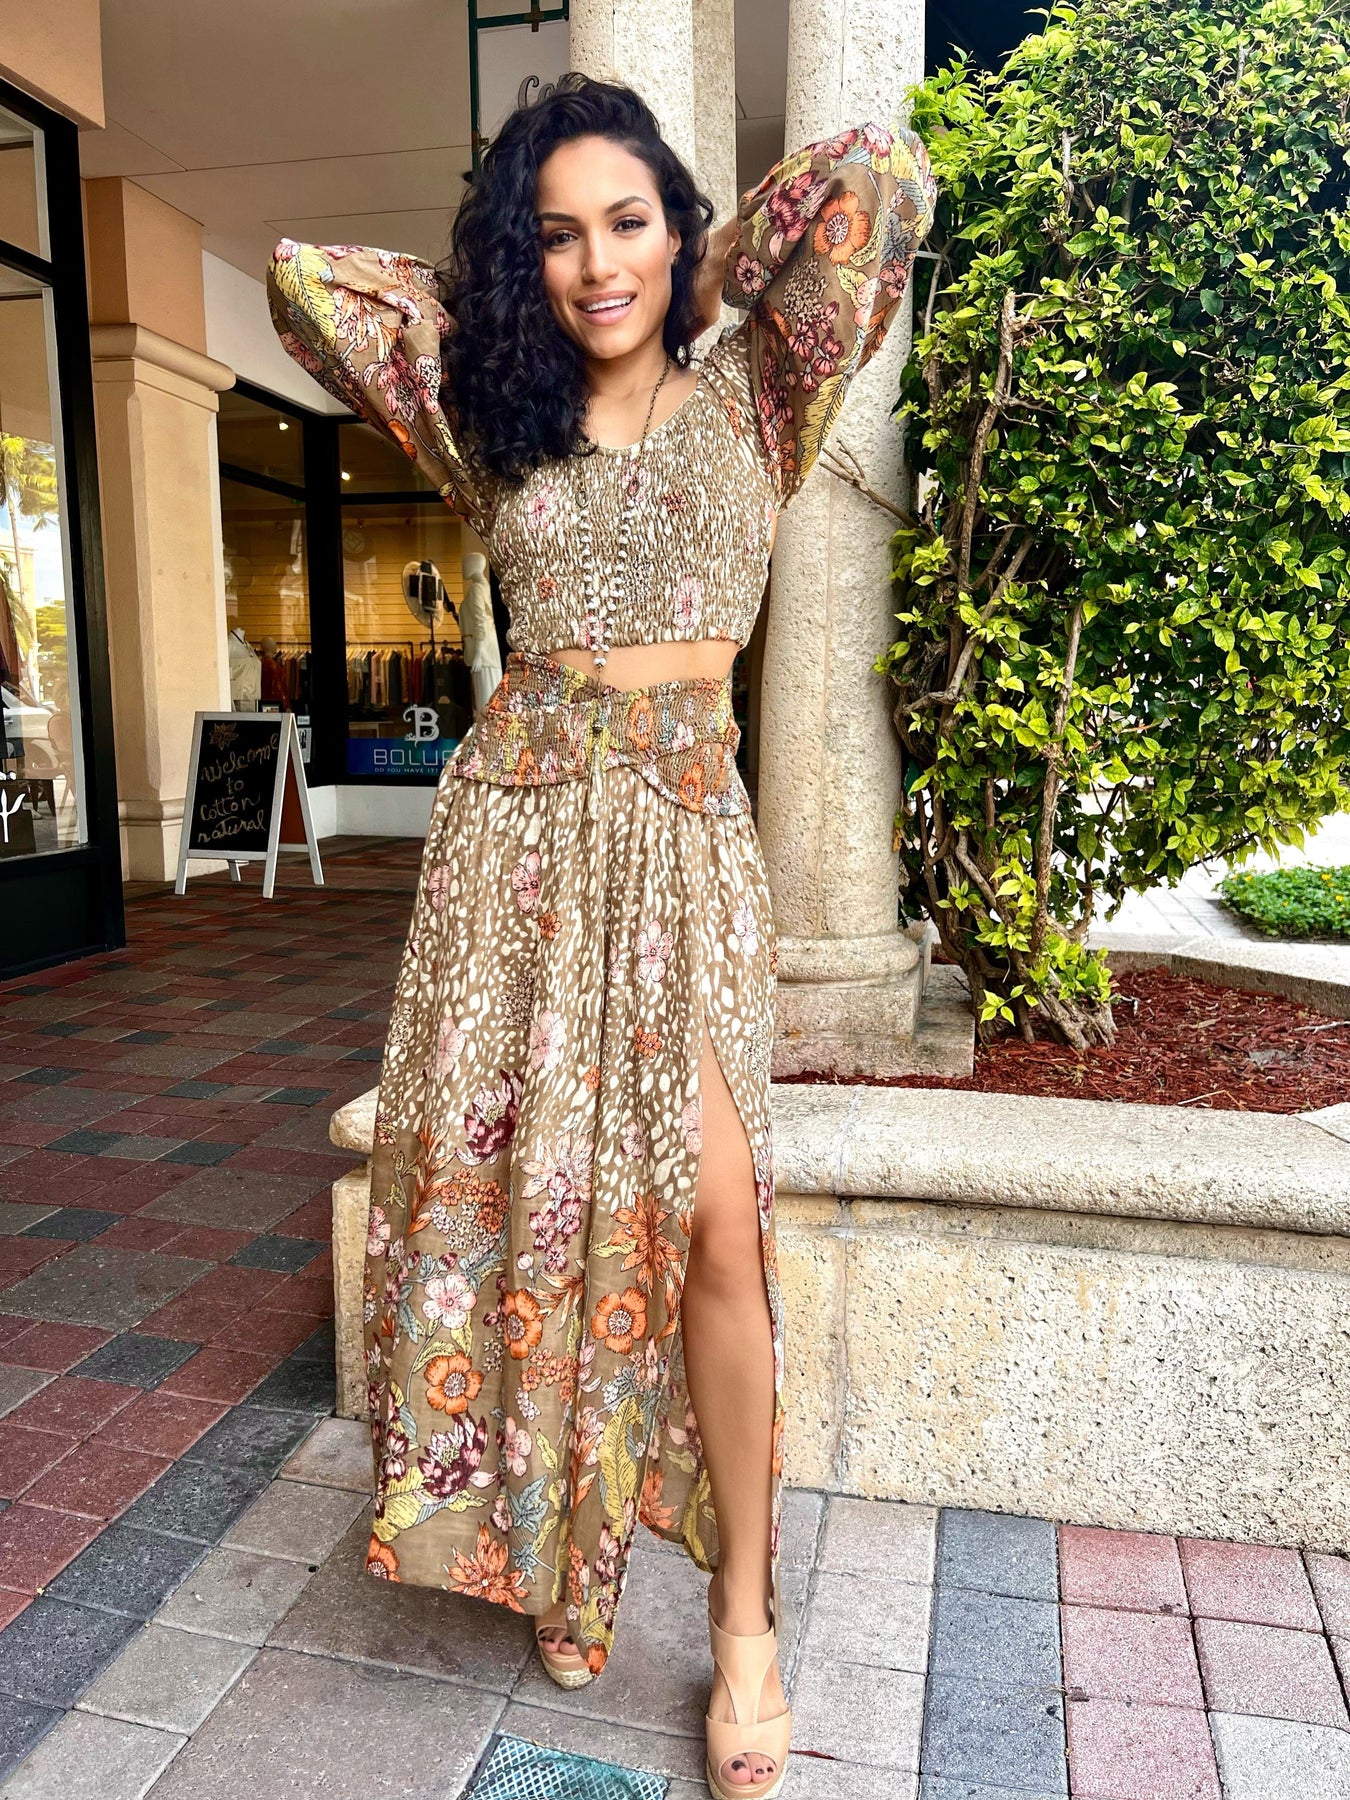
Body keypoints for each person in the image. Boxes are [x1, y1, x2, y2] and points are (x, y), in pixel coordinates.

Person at [268, 71, 935, 1800]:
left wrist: (699, 273)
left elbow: (876, 175)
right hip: (516, 852)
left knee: (715, 1224)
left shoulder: (762, 393)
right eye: (555, 236)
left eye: (624, 220)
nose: (596, 263)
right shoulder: (488, 417)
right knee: (544, 1212)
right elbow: (303, 283)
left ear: (680, 225)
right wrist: (505, 286)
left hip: (685, 843)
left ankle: (743, 1626)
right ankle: (566, 1560)